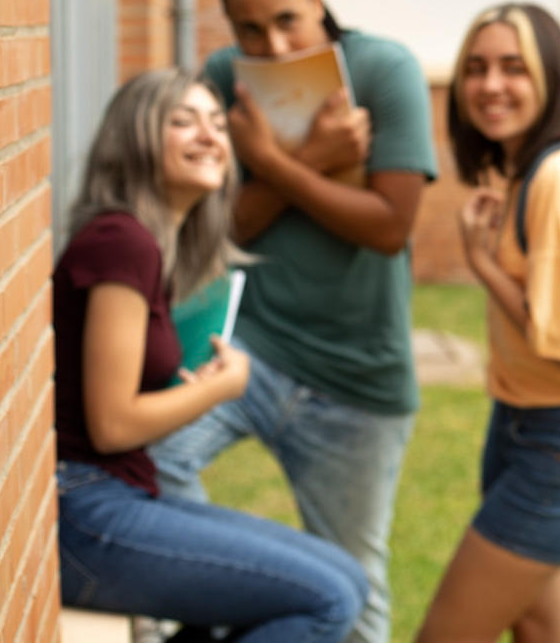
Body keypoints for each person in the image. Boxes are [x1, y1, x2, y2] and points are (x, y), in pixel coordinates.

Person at [150, 0, 438, 643]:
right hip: (249, 351)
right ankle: (228, 604)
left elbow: (389, 226)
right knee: (150, 463)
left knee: (357, 589)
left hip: (355, 378)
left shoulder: (385, 70)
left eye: (287, 20)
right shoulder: (224, 77)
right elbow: (218, 231)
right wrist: (309, 159)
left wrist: (274, 164)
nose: (273, 46)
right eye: (249, 29)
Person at [53, 69, 367, 640]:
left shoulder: (146, 244)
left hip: (113, 492)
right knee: (329, 599)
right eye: (183, 121)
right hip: (83, 509)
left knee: (349, 578)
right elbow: (112, 424)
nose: (210, 136)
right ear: (135, 138)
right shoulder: (122, 242)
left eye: (218, 124)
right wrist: (219, 389)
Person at [416, 3, 560, 643]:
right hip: (532, 426)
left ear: (551, 78)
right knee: (540, 632)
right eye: (476, 68)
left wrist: (482, 263)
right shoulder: (537, 171)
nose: (491, 84)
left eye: (513, 67)